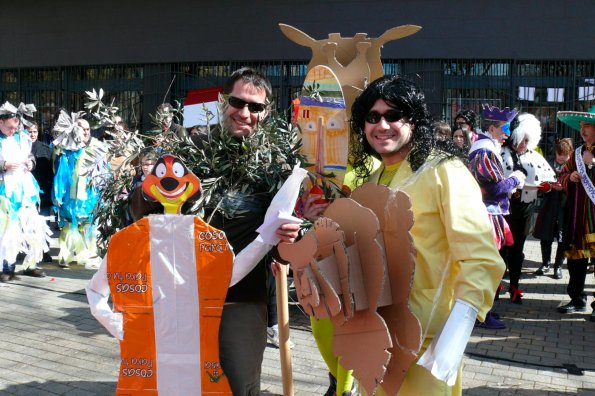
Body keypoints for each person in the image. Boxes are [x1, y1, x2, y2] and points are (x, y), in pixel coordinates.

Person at [350, 75, 505, 395]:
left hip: (427, 346)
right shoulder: (374, 177)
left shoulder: (443, 170)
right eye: (372, 116)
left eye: (393, 115)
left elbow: (481, 257)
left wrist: (453, 339)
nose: (382, 125)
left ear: (414, 120)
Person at [194, 67, 300, 395]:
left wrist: (297, 233)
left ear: (265, 114)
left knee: (238, 387)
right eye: (238, 103)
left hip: (241, 302)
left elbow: (298, 231)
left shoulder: (277, 168)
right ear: (223, 102)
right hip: (186, 298)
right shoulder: (192, 156)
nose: (245, 113)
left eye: (255, 107)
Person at [468, 104, 525, 324]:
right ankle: (481, 314)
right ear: (492, 129)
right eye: (505, 129)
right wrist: (516, 179)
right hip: (486, 216)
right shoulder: (484, 150)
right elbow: (493, 189)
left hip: (489, 214)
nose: (508, 135)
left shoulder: (485, 148)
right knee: (487, 267)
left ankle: (484, 311)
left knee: (488, 266)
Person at [500, 113, 556, 304]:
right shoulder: (500, 153)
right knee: (500, 249)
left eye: (527, 139)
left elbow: (550, 179)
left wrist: (545, 188)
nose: (524, 143)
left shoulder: (535, 157)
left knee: (517, 249)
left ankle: (514, 286)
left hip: (524, 209)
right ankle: (495, 285)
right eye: (521, 138)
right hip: (502, 209)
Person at [0, 102, 49, 280]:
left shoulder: (22, 137)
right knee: (8, 228)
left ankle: (31, 264)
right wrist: (3, 165)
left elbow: (30, 155)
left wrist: (31, 163)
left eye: (15, 127)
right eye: (10, 127)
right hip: (6, 188)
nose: (13, 130)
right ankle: (7, 267)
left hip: (26, 186)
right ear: (1, 123)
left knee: (32, 224)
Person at [555, 105, 595, 321]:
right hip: (578, 217)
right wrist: (569, 178)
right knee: (576, 261)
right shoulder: (577, 153)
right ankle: (577, 299)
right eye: (581, 126)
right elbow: (561, 175)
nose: (582, 130)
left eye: (587, 126)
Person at [52, 114, 108, 268]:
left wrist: (104, 192)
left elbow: (104, 171)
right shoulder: (66, 150)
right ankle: (65, 255)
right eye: (82, 128)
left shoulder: (98, 147)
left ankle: (90, 254)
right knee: (70, 224)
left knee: (89, 224)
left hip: (90, 195)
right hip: (71, 196)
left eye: (88, 129)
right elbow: (60, 174)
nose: (85, 132)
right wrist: (58, 194)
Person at [532, 138, 574, 279]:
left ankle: (558, 267)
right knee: (546, 236)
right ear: (555, 153)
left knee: (562, 239)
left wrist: (565, 187)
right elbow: (538, 182)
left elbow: (578, 188)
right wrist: (547, 187)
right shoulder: (547, 164)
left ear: (570, 154)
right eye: (559, 154)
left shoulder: (573, 167)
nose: (561, 157)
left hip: (565, 207)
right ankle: (545, 264)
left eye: (565, 154)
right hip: (549, 205)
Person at [28, 121, 54, 265]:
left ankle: (44, 252)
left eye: (34, 132)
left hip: (42, 193)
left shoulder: (46, 149)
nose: (32, 134)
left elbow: (51, 173)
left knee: (44, 223)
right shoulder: (20, 147)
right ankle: (27, 251)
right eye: (29, 131)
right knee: (27, 223)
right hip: (26, 194)